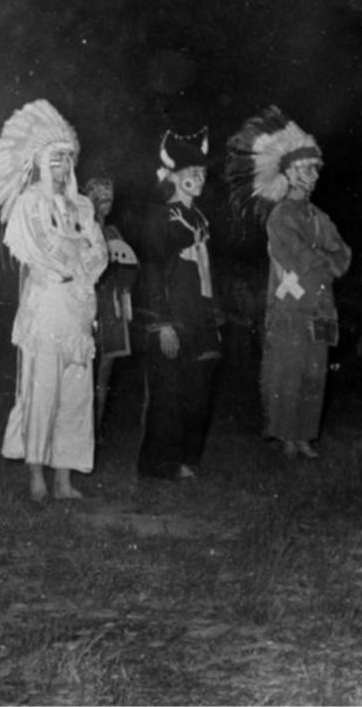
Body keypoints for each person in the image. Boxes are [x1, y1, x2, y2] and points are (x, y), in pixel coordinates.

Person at [0, 99, 108, 501]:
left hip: (78, 308)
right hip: (47, 307)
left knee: (75, 394)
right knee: (42, 391)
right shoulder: (30, 202)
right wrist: (75, 254)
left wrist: (81, 257)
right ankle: (36, 476)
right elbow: (39, 248)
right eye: (55, 159)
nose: (62, 166)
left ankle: (64, 478)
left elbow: (99, 252)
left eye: (67, 159)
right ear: (39, 161)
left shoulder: (83, 205)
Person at [226, 106, 352, 459]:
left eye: (315, 169)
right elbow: (301, 259)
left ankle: (305, 435)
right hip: (291, 308)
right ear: (291, 174)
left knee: (315, 373)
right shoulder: (280, 217)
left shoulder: (319, 216)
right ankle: (286, 436)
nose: (313, 176)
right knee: (290, 372)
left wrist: (324, 260)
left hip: (322, 308)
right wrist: (324, 259)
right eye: (306, 169)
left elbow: (343, 255)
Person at [135, 129, 221, 480]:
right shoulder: (159, 217)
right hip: (173, 317)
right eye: (191, 173)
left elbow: (208, 273)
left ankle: (188, 459)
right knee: (168, 391)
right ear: (172, 176)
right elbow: (152, 272)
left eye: (202, 173)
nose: (199, 179)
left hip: (200, 316)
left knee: (199, 390)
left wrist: (213, 315)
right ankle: (160, 464)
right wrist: (162, 324)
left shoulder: (200, 218)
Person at [83, 177, 138, 440]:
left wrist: (126, 287)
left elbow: (129, 268)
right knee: (83, 374)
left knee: (104, 377)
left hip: (112, 310)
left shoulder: (114, 233)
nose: (107, 201)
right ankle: (80, 436)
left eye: (110, 196)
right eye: (101, 196)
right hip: (88, 307)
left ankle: (96, 434)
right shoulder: (82, 230)